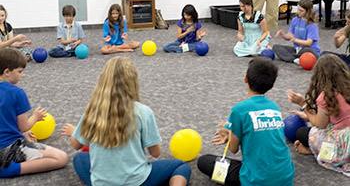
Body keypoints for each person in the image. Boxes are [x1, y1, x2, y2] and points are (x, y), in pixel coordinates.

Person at [61, 56, 191, 186]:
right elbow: (156, 153)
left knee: (79, 158)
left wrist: (75, 132)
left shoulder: (92, 111)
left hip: (102, 182)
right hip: (137, 181)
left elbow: (76, 145)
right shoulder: (143, 112)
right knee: (180, 166)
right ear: (133, 82)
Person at [197, 57, 294, 186]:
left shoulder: (239, 110)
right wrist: (234, 130)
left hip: (257, 180)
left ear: (245, 78)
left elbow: (233, 149)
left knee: (204, 161)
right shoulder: (274, 107)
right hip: (286, 176)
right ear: (272, 86)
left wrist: (231, 132)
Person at [0, 48, 68, 178]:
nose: (22, 75)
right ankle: (9, 169)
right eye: (19, 71)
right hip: (8, 150)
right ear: (7, 72)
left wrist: (23, 134)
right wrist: (35, 118)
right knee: (61, 158)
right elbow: (24, 126)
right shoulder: (17, 93)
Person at [287, 54, 350, 176]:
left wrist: (303, 104)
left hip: (344, 143)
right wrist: (309, 116)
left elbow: (320, 124)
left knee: (302, 132)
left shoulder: (327, 95)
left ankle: (317, 151)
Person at [273, 0, 320, 64]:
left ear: (308, 11)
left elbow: (308, 43)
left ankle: (297, 58)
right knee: (276, 47)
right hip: (297, 49)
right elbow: (290, 36)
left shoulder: (312, 25)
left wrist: (295, 40)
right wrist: (283, 36)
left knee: (306, 50)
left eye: (301, 11)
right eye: (298, 9)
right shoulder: (295, 20)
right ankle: (297, 59)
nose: (298, 12)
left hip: (310, 50)